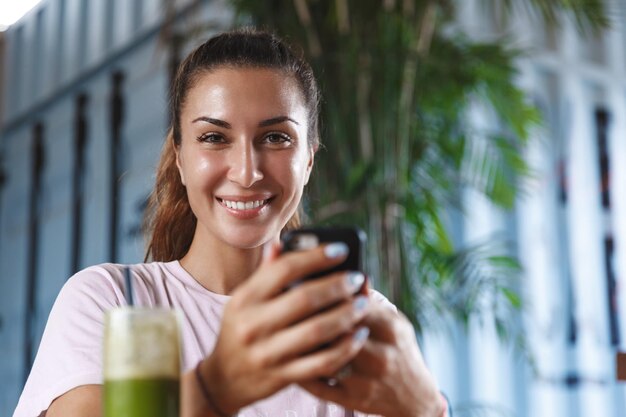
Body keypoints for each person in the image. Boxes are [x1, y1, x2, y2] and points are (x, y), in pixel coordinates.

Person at [13, 29, 447, 417]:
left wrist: (428, 409)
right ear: (180, 158)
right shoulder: (115, 300)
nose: (247, 171)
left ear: (309, 159)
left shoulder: (353, 322)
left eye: (276, 137)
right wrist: (215, 386)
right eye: (214, 138)